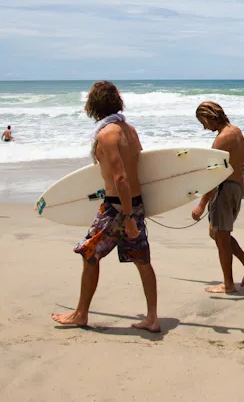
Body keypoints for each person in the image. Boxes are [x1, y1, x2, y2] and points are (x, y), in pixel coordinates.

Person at [52, 81, 159, 332]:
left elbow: (120, 178)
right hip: (134, 204)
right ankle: (152, 318)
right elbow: (138, 168)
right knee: (142, 260)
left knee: (89, 253)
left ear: (94, 105)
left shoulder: (107, 134)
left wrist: (128, 216)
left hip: (117, 208)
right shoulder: (130, 130)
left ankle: (81, 314)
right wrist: (134, 211)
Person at [191, 101, 244, 294]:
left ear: (208, 117)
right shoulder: (236, 132)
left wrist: (201, 204)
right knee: (218, 233)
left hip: (224, 189)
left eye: (203, 122)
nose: (204, 127)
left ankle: (228, 284)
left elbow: (215, 175)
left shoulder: (221, 139)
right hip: (236, 188)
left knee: (220, 236)